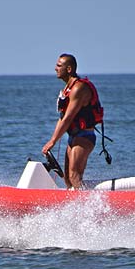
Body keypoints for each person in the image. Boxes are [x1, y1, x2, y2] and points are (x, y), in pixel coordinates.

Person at [41, 54, 103, 189]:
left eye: (59, 65)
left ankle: (87, 206)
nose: (55, 68)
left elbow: (68, 118)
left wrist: (52, 141)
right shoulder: (67, 89)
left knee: (74, 175)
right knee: (68, 179)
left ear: (69, 69)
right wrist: (53, 139)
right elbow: (62, 118)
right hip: (73, 138)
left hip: (84, 137)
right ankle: (73, 203)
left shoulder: (78, 88)